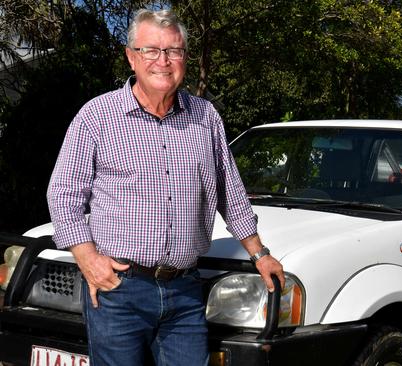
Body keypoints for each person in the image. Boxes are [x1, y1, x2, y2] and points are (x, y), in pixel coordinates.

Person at [46, 8, 284, 366]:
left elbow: (229, 192)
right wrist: (88, 259)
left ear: (185, 58)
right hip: (119, 292)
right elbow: (63, 194)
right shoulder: (97, 117)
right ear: (131, 57)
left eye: (173, 51)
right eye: (151, 50)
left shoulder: (206, 117)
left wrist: (259, 254)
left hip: (185, 291)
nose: (163, 60)